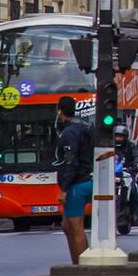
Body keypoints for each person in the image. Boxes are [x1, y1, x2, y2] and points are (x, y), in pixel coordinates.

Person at [53, 96, 94, 263]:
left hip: (77, 184)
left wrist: (64, 188)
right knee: (67, 225)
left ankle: (82, 264)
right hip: (85, 179)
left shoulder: (69, 133)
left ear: (59, 111)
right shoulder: (82, 128)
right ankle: (77, 262)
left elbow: (71, 161)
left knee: (76, 228)